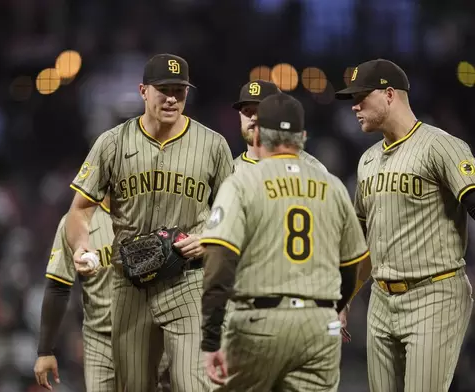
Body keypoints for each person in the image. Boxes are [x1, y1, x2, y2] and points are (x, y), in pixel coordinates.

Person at [64, 53, 234, 392]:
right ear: (143, 91)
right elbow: (80, 210)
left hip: (188, 279)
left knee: (192, 384)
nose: (172, 98)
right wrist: (81, 245)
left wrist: (213, 239)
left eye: (179, 90)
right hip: (130, 284)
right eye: (163, 89)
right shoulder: (112, 143)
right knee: (136, 386)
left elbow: (234, 212)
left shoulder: (213, 144)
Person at [200, 93, 368, 391]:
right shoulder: (332, 185)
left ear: (260, 133)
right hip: (317, 325)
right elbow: (353, 263)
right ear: (302, 136)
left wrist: (212, 337)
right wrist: (333, 308)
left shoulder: (242, 181)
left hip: (258, 321)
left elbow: (219, 259)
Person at [335, 58, 474, 392]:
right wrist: (344, 299)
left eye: (361, 97)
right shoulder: (366, 161)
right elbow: (362, 242)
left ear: (389, 94)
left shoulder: (441, 145)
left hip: (434, 292)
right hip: (381, 299)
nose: (354, 106)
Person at [34, 194, 172, 392]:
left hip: (148, 336)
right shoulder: (74, 223)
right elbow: (58, 286)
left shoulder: (154, 213)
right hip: (101, 339)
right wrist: (45, 350)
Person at [231, 80, 327, 172]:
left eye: (261, 110)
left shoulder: (311, 167)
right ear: (240, 115)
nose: (253, 117)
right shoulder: (230, 171)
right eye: (247, 111)